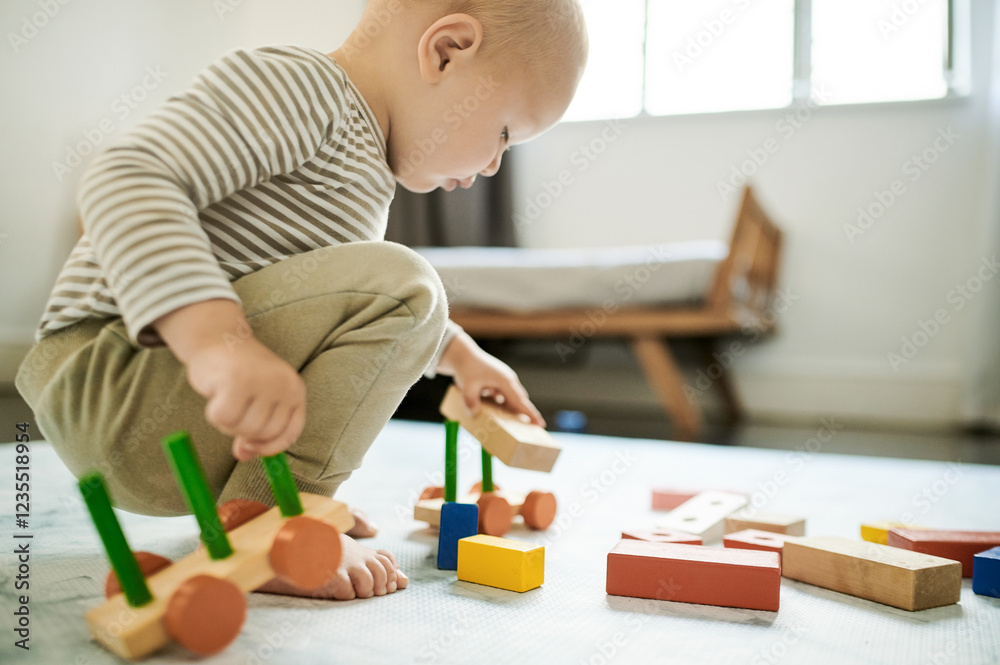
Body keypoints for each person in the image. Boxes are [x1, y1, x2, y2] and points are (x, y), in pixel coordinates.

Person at [14, 0, 588, 601]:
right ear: (445, 51)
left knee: (406, 290)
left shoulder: (364, 167)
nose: (495, 165)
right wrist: (215, 344)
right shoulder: (306, 89)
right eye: (502, 133)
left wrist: (459, 357)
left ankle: (270, 502)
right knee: (411, 285)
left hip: (171, 425)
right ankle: (273, 519)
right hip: (110, 377)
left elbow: (335, 298)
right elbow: (125, 176)